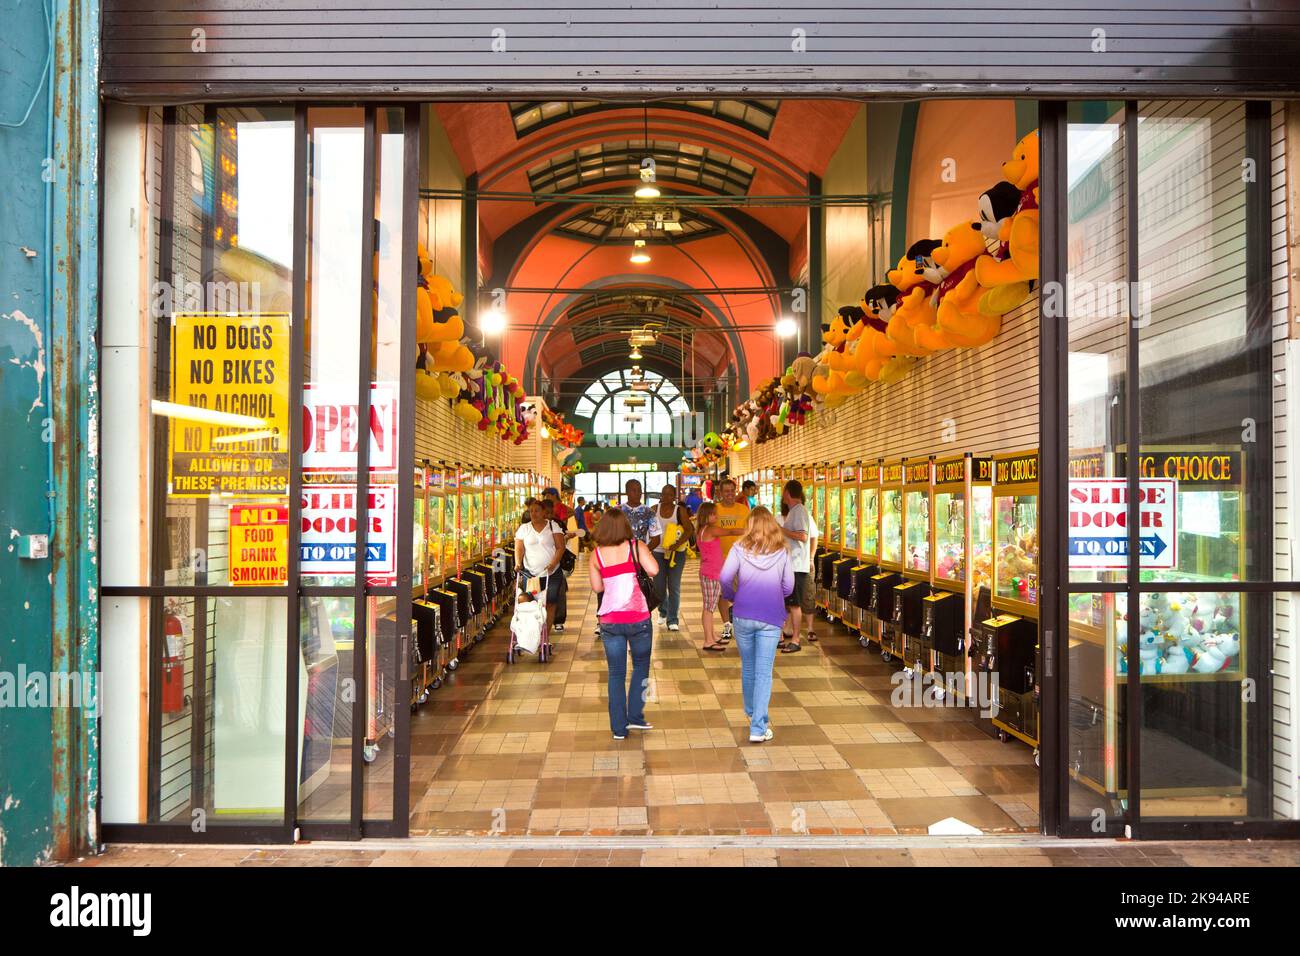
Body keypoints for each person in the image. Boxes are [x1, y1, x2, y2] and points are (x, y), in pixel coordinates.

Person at [720, 507, 793, 743]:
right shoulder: (782, 551)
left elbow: (724, 577)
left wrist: (732, 594)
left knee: (749, 667)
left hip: (742, 613)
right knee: (763, 672)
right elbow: (789, 586)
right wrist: (775, 595)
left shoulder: (738, 549)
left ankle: (752, 713)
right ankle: (758, 727)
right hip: (771, 617)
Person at [588, 508, 659, 740]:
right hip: (638, 618)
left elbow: (598, 588)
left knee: (616, 673)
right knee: (641, 666)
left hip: (610, 620)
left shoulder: (596, 555)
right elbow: (654, 570)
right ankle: (636, 716)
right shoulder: (636, 546)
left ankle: (619, 728)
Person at [514, 497, 566, 635]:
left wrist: (553, 563)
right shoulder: (524, 528)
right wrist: (518, 563)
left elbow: (561, 547)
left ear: (544, 512)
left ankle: (545, 635)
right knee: (530, 601)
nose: (533, 513)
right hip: (531, 574)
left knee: (550, 601)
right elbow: (519, 548)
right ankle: (533, 632)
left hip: (552, 573)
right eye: (531, 511)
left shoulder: (552, 526)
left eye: (537, 510)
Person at [648, 484, 695, 631]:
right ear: (661, 495)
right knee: (659, 587)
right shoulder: (655, 509)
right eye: (664, 494)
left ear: (674, 496)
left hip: (677, 553)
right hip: (658, 552)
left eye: (669, 494)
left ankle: (672, 619)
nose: (666, 497)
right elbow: (649, 528)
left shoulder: (679, 511)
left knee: (674, 586)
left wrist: (678, 543)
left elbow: (689, 529)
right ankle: (663, 610)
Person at [712, 477, 750, 642]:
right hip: (720, 558)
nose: (729, 494)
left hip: (742, 558)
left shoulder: (743, 509)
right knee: (723, 594)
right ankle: (727, 624)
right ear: (720, 493)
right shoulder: (714, 509)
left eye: (731, 491)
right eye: (726, 491)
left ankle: (740, 622)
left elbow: (750, 531)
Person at [777, 479, 812, 653]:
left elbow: (803, 536)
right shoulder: (794, 511)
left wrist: (780, 530)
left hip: (797, 566)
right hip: (791, 565)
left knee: (795, 605)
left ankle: (796, 640)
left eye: (784, 491)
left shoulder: (799, 511)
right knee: (788, 603)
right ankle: (784, 636)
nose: (782, 495)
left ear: (788, 493)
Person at [694, 502, 726, 652]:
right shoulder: (711, 530)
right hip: (711, 573)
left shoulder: (702, 530)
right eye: (713, 513)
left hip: (709, 572)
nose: (716, 516)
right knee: (709, 608)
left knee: (709, 606)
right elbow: (731, 532)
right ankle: (708, 640)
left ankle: (711, 636)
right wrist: (751, 529)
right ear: (706, 515)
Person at [619, 478, 656, 546]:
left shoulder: (649, 512)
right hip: (621, 554)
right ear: (626, 492)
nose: (637, 493)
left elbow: (656, 539)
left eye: (639, 490)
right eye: (634, 490)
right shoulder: (618, 511)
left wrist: (643, 552)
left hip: (640, 554)